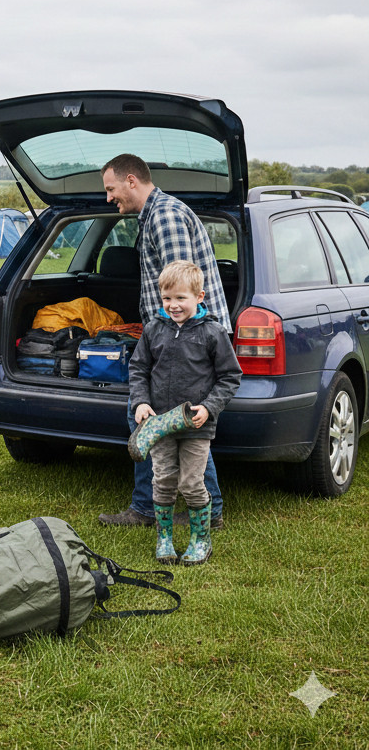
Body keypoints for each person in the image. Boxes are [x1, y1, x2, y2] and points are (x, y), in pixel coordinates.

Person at [98, 152, 232, 529]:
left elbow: (180, 289)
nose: (109, 198)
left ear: (131, 181)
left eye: (111, 189)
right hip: (171, 335)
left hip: (189, 339)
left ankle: (208, 511)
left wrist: (163, 339)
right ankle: (149, 506)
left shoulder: (165, 216)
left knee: (182, 421)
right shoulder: (154, 214)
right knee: (153, 417)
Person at [129, 261, 242, 565]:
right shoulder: (153, 328)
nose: (173, 305)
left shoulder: (212, 332)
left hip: (195, 425)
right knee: (163, 480)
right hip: (160, 424)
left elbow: (230, 376)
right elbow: (138, 368)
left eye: (181, 298)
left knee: (191, 483)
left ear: (200, 296)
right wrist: (140, 401)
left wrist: (209, 407)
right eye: (167, 298)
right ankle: (164, 537)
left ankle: (200, 539)